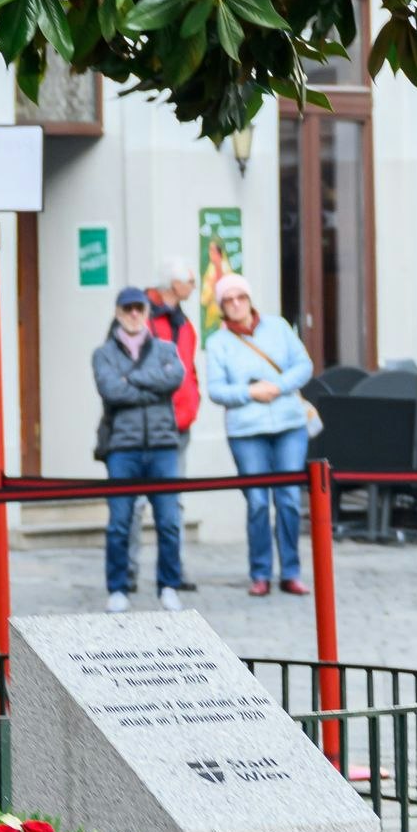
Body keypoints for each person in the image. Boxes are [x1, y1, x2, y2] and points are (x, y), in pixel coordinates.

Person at [200, 273, 315, 596]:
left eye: (241, 297)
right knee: (257, 503)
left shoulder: (277, 327)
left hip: (289, 426)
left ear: (250, 300)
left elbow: (303, 365)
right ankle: (260, 573)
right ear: (222, 307)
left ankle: (291, 572)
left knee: (289, 500)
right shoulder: (218, 342)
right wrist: (251, 392)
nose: (236, 304)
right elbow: (217, 390)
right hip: (247, 431)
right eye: (229, 300)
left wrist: (277, 387)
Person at [92, 286, 189, 612]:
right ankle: (118, 587)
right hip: (123, 447)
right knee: (120, 521)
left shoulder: (165, 348)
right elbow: (111, 391)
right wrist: (151, 384)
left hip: (162, 445)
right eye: (128, 308)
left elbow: (174, 380)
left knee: (169, 521)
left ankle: (168, 585)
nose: (134, 314)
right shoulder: (103, 354)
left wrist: (129, 380)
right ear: (118, 313)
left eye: (140, 308)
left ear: (147, 313)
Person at [147, 262, 203, 440]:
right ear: (175, 284)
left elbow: (189, 366)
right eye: (191, 281)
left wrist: (193, 400)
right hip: (151, 424)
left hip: (182, 421)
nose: (194, 287)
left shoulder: (184, 324)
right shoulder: (142, 319)